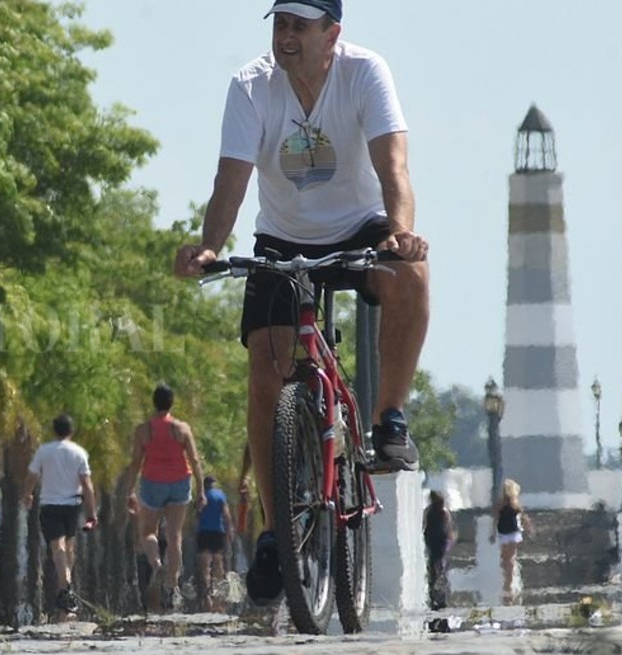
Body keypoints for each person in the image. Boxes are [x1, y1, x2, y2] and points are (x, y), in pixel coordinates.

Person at [172, 0, 429, 606]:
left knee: (411, 276)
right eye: (279, 25)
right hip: (282, 239)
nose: (286, 37)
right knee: (265, 371)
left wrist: (399, 229)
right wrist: (210, 247)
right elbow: (230, 180)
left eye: (299, 27)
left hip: (361, 226)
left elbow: (394, 166)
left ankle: (389, 417)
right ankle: (274, 526)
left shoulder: (366, 73)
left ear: (331, 34)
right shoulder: (251, 86)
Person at [123, 384, 206, 611]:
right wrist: (201, 490)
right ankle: (172, 585)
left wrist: (129, 490)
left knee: (148, 532)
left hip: (152, 483)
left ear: (154, 402)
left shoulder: (143, 430)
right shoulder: (182, 428)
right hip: (180, 482)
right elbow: (195, 460)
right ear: (172, 403)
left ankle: (157, 564)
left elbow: (135, 463)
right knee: (174, 535)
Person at [23, 414, 98, 616]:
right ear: (71, 431)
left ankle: (65, 588)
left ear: (54, 431)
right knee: (68, 548)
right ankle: (65, 588)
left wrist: (28, 494)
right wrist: (92, 512)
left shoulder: (44, 451)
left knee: (59, 547)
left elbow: (32, 474)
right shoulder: (79, 452)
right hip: (73, 505)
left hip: (50, 505)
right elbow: (87, 486)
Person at [195, 476, 233, 612]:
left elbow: (197, 514)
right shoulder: (220, 495)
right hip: (218, 531)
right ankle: (218, 591)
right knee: (218, 561)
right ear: (214, 484)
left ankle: (207, 594)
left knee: (205, 564)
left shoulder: (201, 495)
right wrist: (230, 531)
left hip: (204, 531)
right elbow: (226, 515)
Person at [491, 479, 531, 605]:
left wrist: (493, 533)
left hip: (509, 533)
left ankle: (508, 585)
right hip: (508, 533)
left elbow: (522, 517)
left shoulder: (508, 503)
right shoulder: (509, 503)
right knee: (506, 559)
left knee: (509, 559)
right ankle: (508, 582)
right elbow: (497, 518)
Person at [423, 490, 456, 610]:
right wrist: (451, 539)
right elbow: (448, 526)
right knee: (441, 564)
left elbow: (424, 524)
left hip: (432, 539)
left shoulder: (429, 510)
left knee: (433, 563)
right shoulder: (443, 511)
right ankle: (440, 592)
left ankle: (433, 591)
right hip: (441, 540)